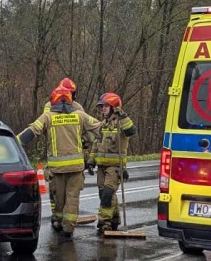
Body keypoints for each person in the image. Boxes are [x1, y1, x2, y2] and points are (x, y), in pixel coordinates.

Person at [19, 86, 102, 240]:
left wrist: (13, 143)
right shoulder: (80, 116)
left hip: (57, 169)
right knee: (72, 198)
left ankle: (60, 222)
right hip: (76, 168)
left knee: (59, 199)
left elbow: (31, 132)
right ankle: (68, 228)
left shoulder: (47, 117)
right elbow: (99, 128)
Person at [89, 92, 136, 233]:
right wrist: (91, 161)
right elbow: (96, 144)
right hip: (101, 167)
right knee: (104, 194)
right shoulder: (103, 124)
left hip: (115, 167)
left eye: (105, 106)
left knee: (107, 194)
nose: (102, 109)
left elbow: (131, 131)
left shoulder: (121, 123)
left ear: (114, 107)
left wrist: (123, 115)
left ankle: (104, 223)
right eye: (101, 106)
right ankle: (114, 219)